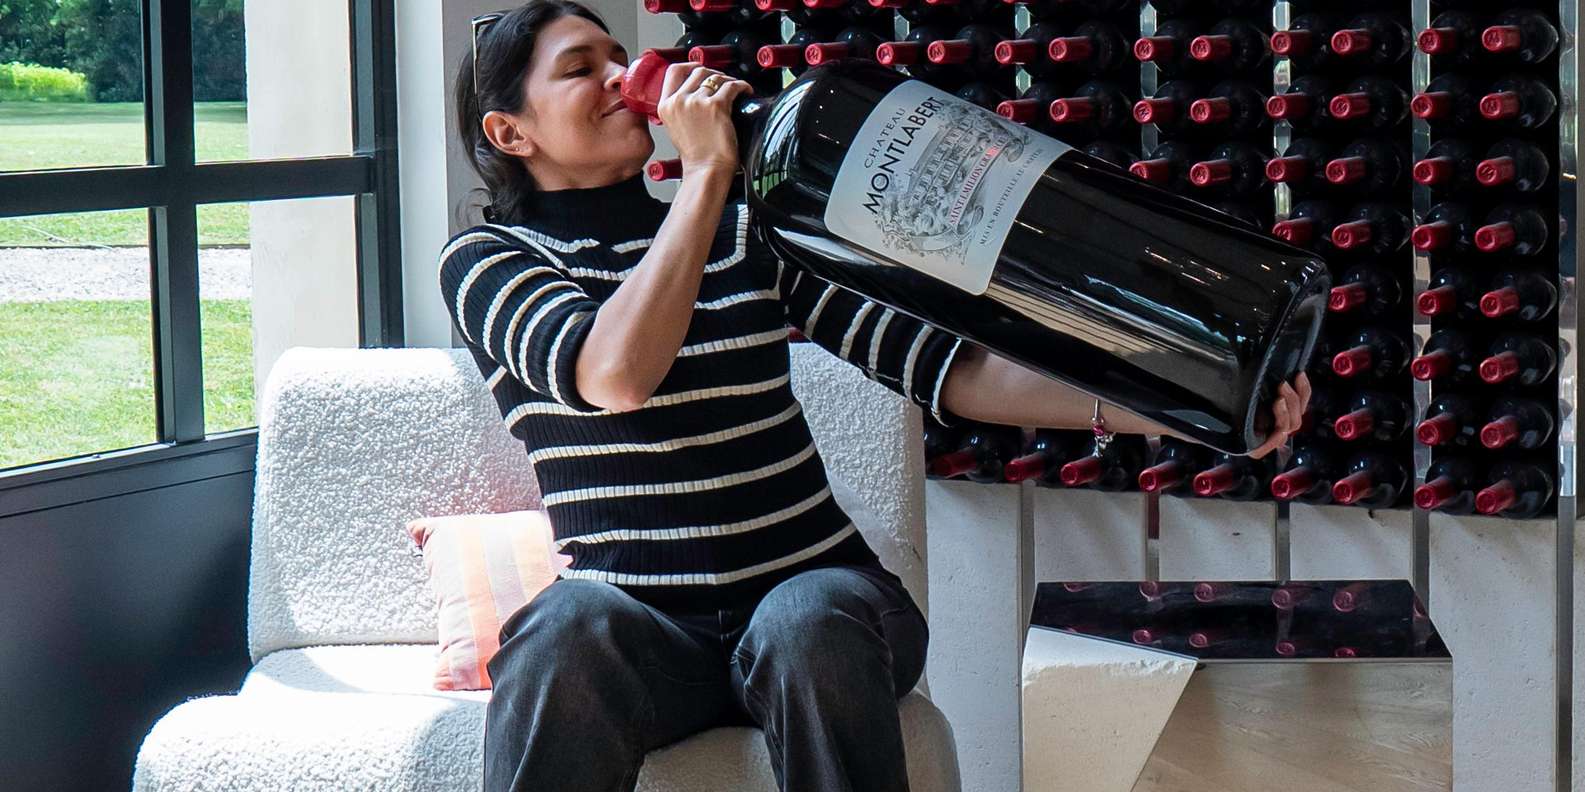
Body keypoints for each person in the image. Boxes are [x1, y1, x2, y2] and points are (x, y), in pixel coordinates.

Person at [442, 3, 1312, 791]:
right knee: (562, 625)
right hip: (650, 642)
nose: (621, 75)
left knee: (804, 617)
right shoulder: (489, 263)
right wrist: (706, 174)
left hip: (822, 610)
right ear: (510, 132)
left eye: (617, 55)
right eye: (579, 68)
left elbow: (950, 370)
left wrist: (1179, 409)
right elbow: (615, 374)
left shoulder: (745, 234)